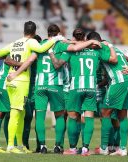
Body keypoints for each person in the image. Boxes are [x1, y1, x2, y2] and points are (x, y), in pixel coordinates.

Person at [7, 24, 99, 154]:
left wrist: (15, 74)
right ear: (59, 33)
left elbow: (29, 61)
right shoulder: (61, 45)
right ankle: (58, 146)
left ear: (47, 33)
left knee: (40, 116)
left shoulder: (40, 45)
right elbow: (76, 47)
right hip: (56, 86)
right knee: (60, 116)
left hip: (40, 86)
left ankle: (43, 146)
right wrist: (90, 41)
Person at [48, 28, 117, 156]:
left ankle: (73, 149)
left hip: (75, 88)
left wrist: (51, 53)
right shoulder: (96, 50)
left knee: (73, 117)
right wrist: (108, 45)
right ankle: (85, 149)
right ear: (85, 37)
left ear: (74, 38)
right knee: (89, 117)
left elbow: (57, 65)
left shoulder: (70, 50)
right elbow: (113, 59)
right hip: (91, 87)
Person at [0, 21, 61, 154]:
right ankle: (10, 146)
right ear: (34, 32)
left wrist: (11, 59)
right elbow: (42, 49)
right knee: (15, 113)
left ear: (23, 31)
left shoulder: (15, 43)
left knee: (21, 113)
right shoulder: (31, 42)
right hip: (21, 81)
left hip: (11, 80)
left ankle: (20, 145)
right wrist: (57, 38)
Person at [97, 41, 128, 157]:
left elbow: (114, 60)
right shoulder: (116, 49)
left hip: (119, 82)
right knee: (122, 115)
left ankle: (104, 148)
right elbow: (127, 59)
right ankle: (122, 149)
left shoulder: (101, 50)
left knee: (105, 112)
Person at [0, 56, 22, 153]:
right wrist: (24, 64)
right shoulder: (16, 52)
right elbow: (8, 60)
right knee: (12, 114)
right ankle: (12, 145)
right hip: (3, 86)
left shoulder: (11, 50)